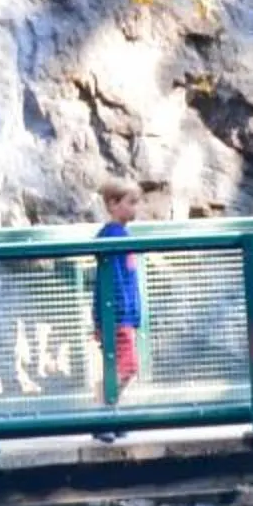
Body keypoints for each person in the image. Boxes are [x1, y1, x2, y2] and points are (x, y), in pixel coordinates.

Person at [90, 175, 145, 439]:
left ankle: (110, 413)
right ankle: (103, 412)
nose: (135, 208)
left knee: (119, 365)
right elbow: (112, 282)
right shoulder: (112, 235)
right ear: (113, 204)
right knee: (128, 365)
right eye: (130, 202)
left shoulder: (120, 234)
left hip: (122, 315)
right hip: (117, 315)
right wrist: (114, 316)